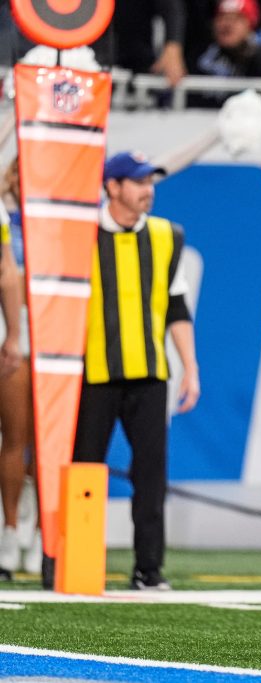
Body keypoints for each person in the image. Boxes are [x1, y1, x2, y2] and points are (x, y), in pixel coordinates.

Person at [72, 152, 201, 591]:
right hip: (93, 375)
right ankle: (73, 565)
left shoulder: (167, 236)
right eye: (137, 181)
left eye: (150, 181)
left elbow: (177, 306)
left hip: (149, 374)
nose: (147, 189)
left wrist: (191, 368)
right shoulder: (80, 235)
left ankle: (149, 569)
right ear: (112, 187)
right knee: (84, 470)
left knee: (151, 474)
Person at [0, 160, 40, 578]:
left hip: (53, 332)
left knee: (47, 442)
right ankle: (10, 530)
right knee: (15, 436)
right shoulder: (1, 212)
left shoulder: (53, 216)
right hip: (13, 328)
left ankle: (41, 531)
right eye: (17, 172)